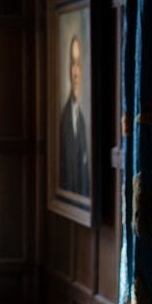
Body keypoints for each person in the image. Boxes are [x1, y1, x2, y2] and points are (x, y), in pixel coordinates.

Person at [59, 34, 90, 196]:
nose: (76, 73)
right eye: (73, 64)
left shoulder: (82, 120)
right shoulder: (63, 120)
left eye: (78, 64)